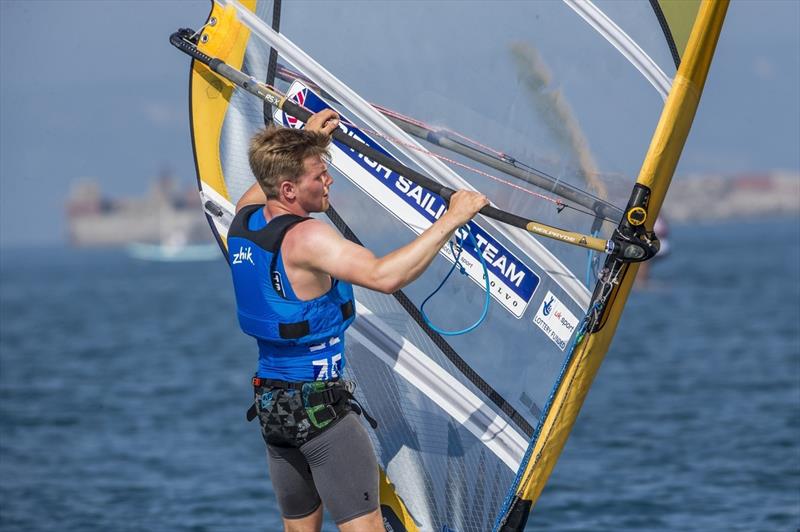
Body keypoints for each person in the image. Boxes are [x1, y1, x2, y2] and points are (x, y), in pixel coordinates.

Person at [227, 109, 488, 532]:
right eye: (319, 175)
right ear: (290, 189)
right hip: (321, 417)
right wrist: (453, 219)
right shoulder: (308, 238)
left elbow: (264, 186)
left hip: (274, 411)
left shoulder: (245, 222)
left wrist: (308, 139)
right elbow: (386, 277)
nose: (328, 180)